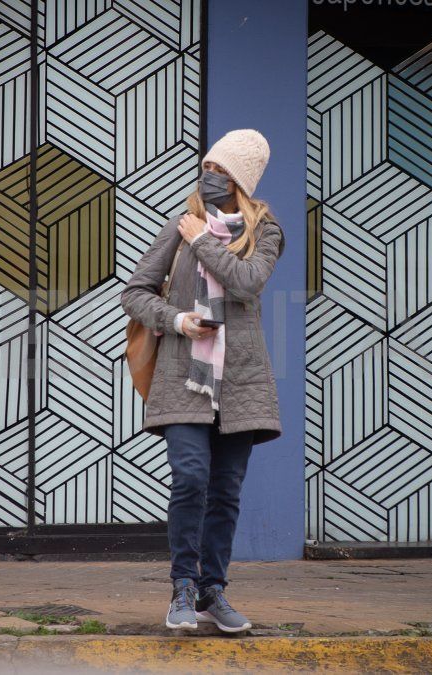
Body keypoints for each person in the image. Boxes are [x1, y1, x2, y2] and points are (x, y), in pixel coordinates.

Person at [120, 129, 284, 633]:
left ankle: (214, 590)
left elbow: (247, 281)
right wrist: (178, 321)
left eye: (220, 172)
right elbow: (136, 292)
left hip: (241, 384)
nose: (208, 177)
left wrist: (202, 241)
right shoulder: (181, 225)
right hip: (183, 379)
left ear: (240, 180)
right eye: (207, 168)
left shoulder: (266, 231)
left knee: (227, 490)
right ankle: (183, 588)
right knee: (191, 478)